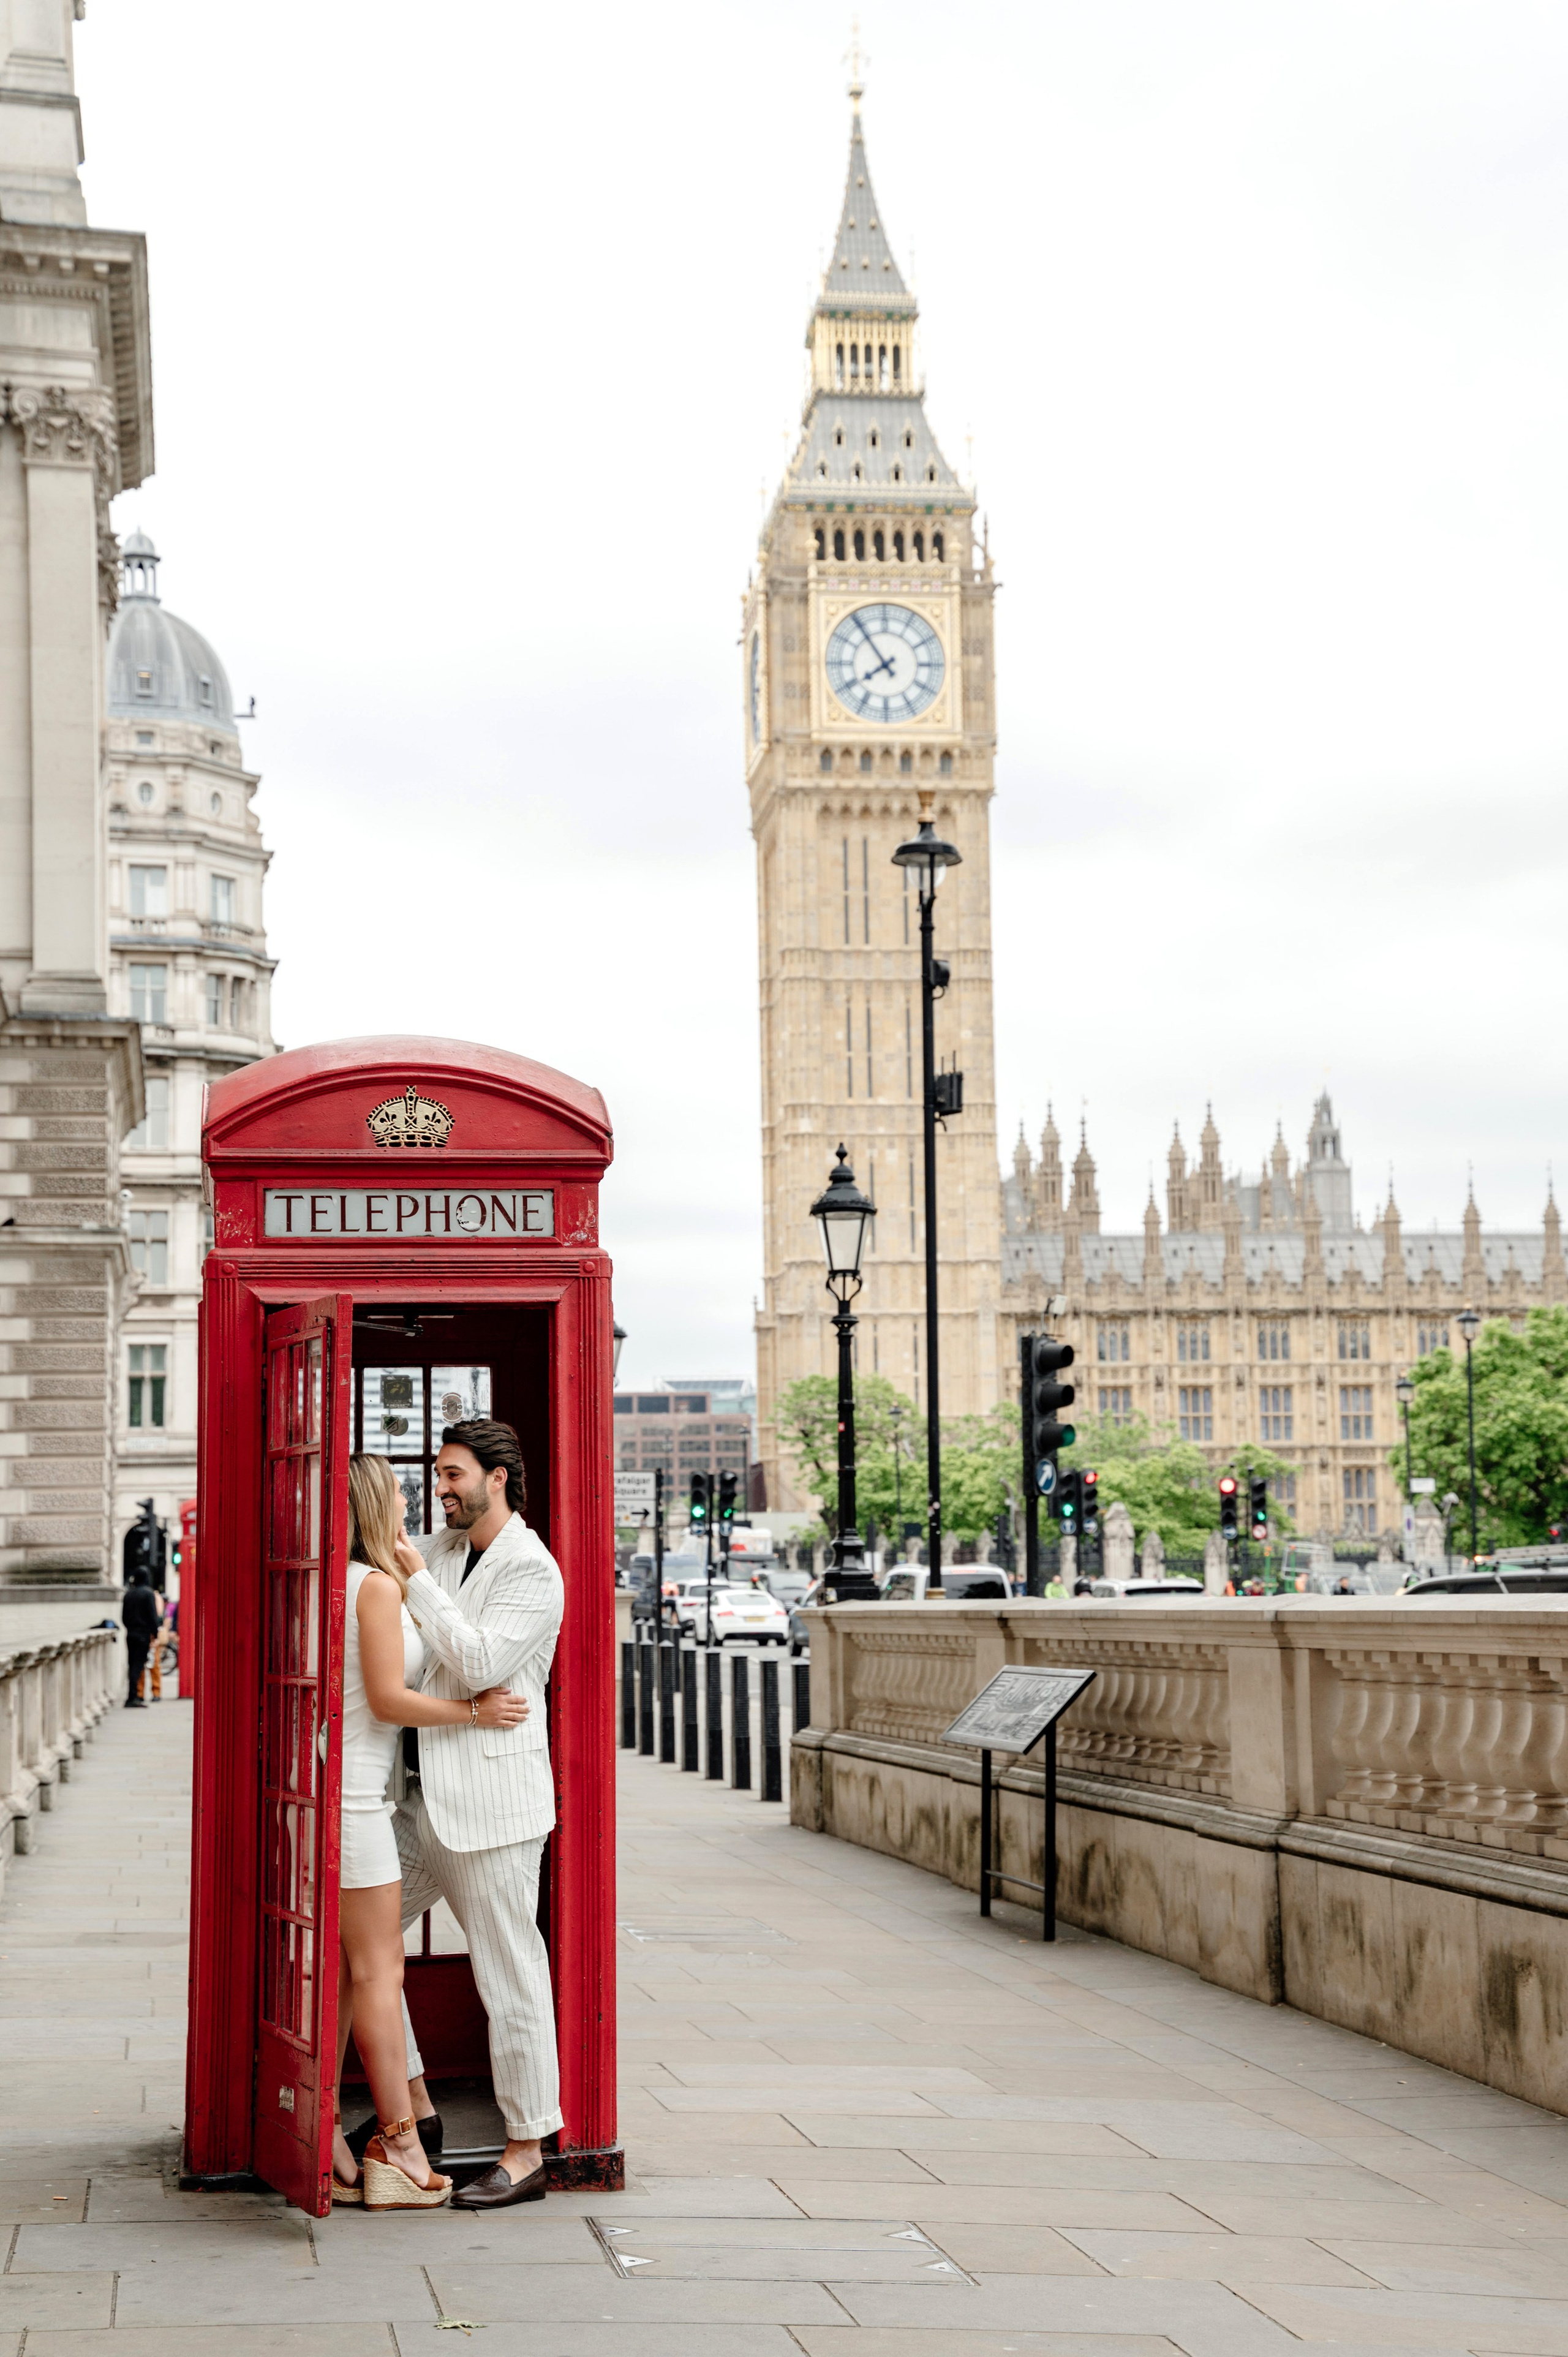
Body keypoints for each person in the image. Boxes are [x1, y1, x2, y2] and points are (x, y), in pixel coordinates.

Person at [330, 1454, 528, 2212]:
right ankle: (400, 2142)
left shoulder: (342, 1581)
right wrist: (476, 1713)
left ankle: (323, 2129)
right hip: (356, 1803)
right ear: (378, 1502)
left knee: (352, 1972)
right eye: (406, 1491)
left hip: (344, 1794)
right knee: (379, 1973)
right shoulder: (375, 1586)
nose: (417, 1499)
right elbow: (387, 1699)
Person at [383, 1419, 565, 2211]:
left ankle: (527, 2149)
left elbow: (483, 1661)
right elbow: (419, 1652)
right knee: (349, 1935)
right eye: (437, 1475)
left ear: (498, 1478)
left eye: (454, 1474)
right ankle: (418, 2108)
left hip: (492, 1811)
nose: (442, 1488)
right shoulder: (448, 1551)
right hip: (420, 1803)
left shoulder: (534, 1570)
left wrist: (419, 1584)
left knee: (510, 1976)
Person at [121, 1567, 161, 1708]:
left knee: (132, 1665)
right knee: (138, 1667)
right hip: (143, 1635)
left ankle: (132, 1696)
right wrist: (155, 1634)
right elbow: (152, 1616)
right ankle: (133, 1698)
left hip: (130, 1633)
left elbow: (124, 1617)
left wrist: (130, 1627)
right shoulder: (148, 1594)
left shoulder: (128, 1594)